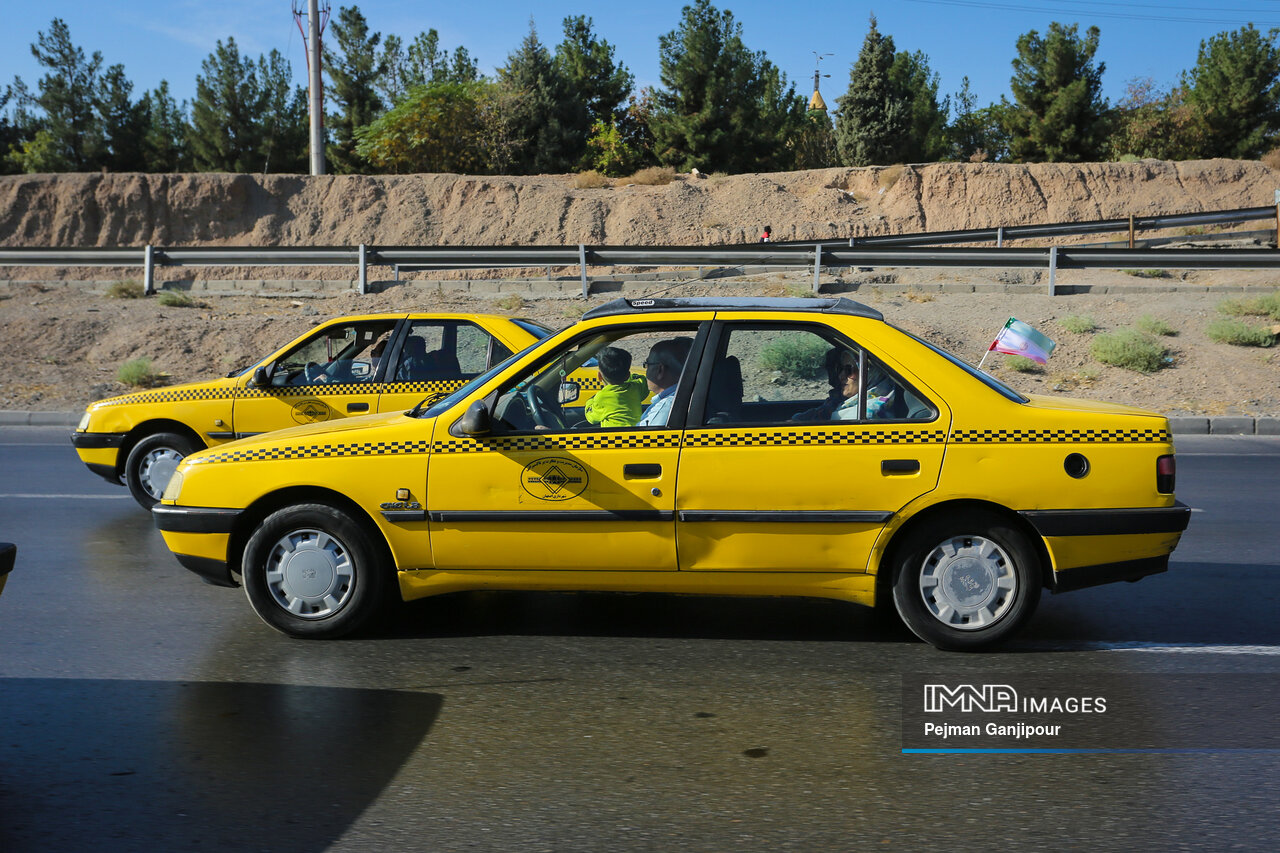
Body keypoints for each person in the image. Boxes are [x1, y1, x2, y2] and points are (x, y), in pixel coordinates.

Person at [792, 347, 894, 422]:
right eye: (840, 369)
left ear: (869, 374)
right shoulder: (849, 405)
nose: (841, 376)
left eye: (848, 370)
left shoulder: (867, 414)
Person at [583, 346, 648, 427]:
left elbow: (591, 418)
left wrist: (590, 401)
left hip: (614, 438)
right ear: (628, 375)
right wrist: (631, 377)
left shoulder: (602, 397)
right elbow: (643, 380)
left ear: (599, 376)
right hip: (635, 435)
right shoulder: (636, 388)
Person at [637, 337, 693, 427]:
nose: (646, 370)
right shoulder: (685, 397)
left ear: (660, 370)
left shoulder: (667, 406)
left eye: (647, 364)